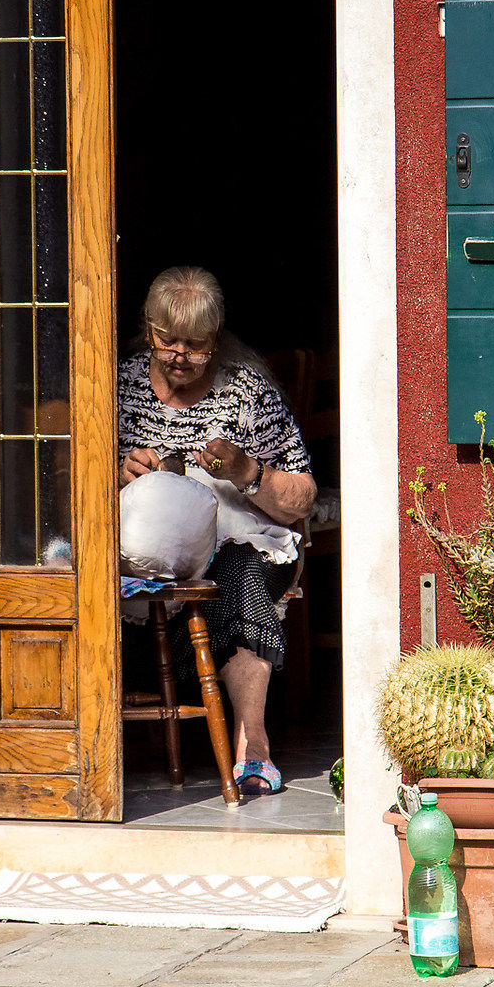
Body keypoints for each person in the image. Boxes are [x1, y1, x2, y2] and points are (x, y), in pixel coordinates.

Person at [118, 266, 315, 799]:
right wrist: (119, 472)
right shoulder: (120, 383)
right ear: (148, 328)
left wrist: (248, 472)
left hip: (229, 546)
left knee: (242, 574)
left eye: (196, 345)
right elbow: (69, 468)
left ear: (217, 338)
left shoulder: (247, 392)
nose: (179, 355)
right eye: (167, 340)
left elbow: (303, 497)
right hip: (140, 556)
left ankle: (254, 745)